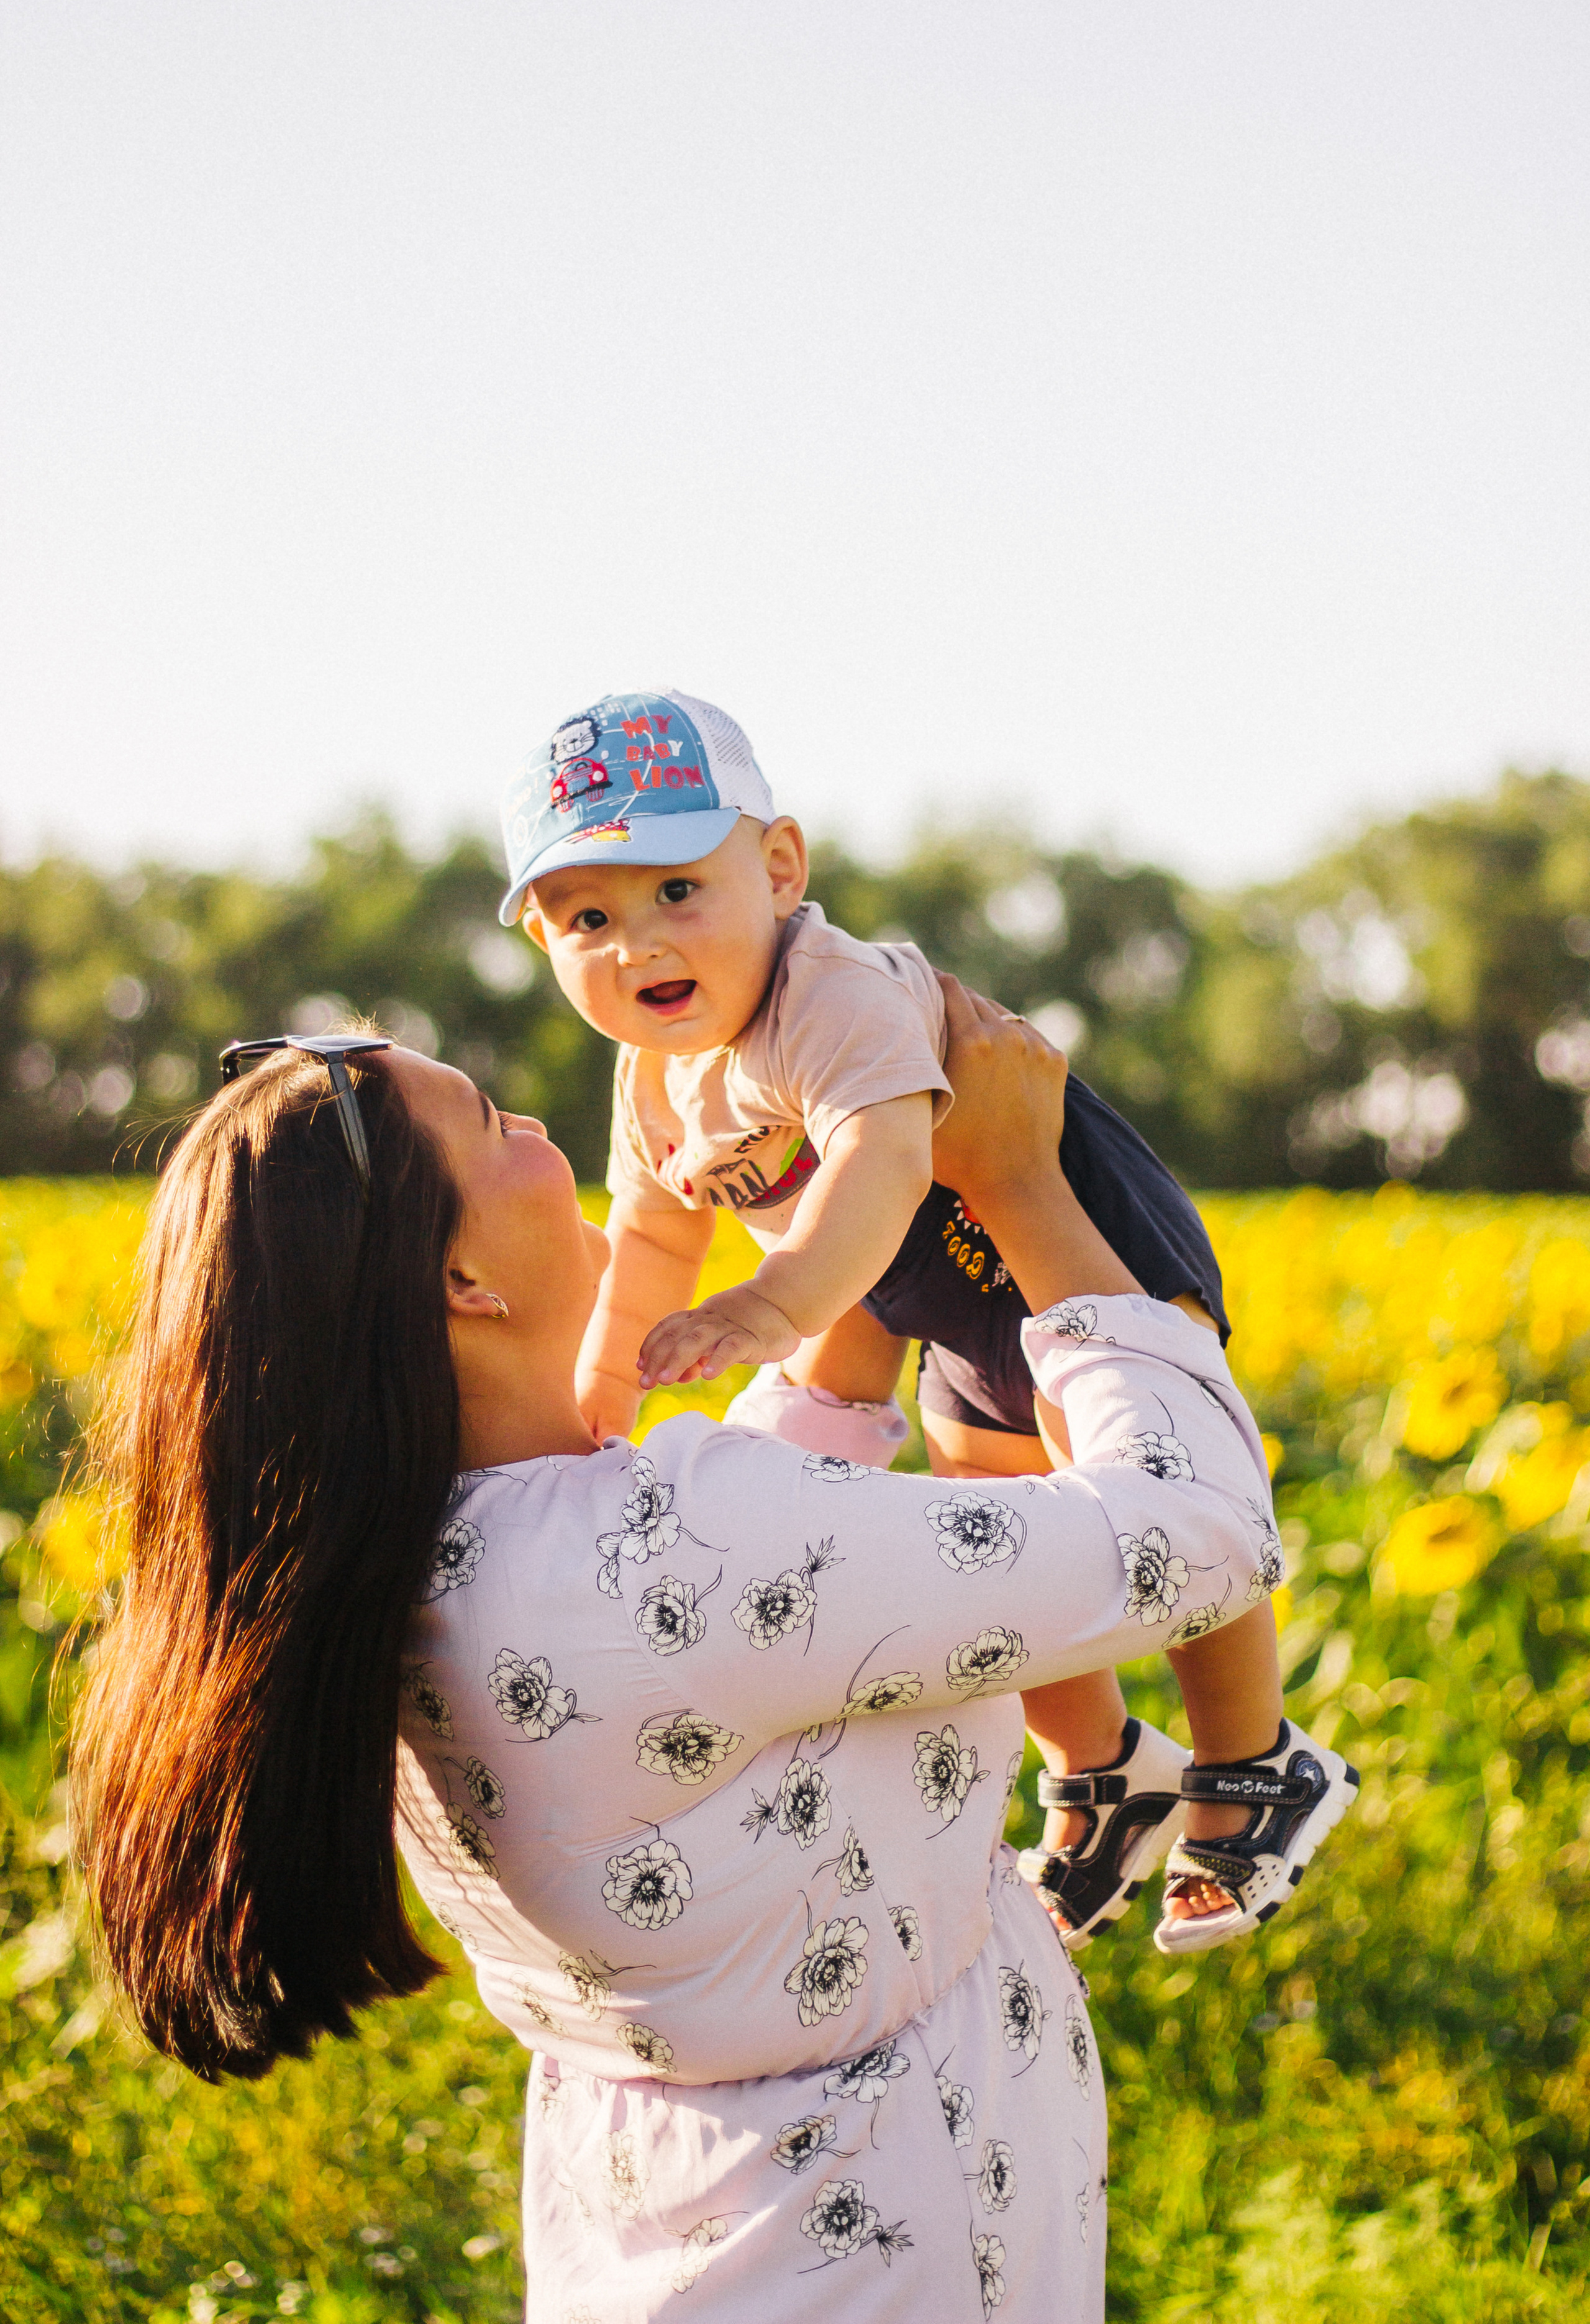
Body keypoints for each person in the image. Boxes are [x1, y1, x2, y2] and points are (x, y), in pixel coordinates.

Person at [76, 992, 1295, 2321]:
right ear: (460, 1282)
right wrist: (1015, 1186)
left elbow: (761, 1581)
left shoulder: (413, 1558)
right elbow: (1196, 1533)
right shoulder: (670, 1549)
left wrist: (858, 1178)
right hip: (883, 2239)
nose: (540, 1124)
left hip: (671, 2231)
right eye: (492, 1124)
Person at [498, 689, 1353, 1951]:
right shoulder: (650, 1079)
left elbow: (883, 1167)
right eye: (587, 916)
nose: (637, 942)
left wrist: (775, 1304)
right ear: (542, 941)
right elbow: (650, 1239)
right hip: (942, 1307)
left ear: (778, 868)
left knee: (1158, 1494)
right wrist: (600, 1402)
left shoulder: (826, 996)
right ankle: (1108, 1773)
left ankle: (1254, 1761)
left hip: (1069, 1237)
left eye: (677, 890)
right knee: (1002, 1543)